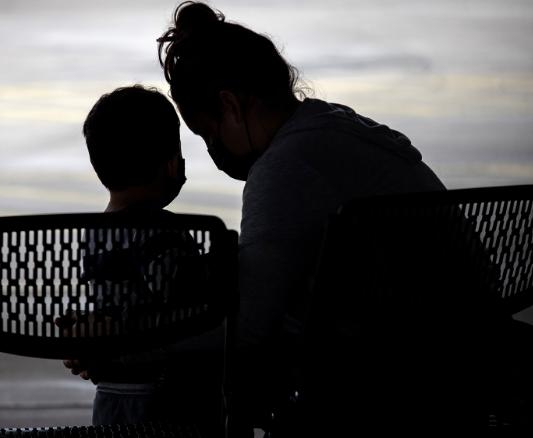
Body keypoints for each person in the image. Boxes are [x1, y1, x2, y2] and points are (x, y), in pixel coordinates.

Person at [157, 2, 453, 433]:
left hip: (402, 386)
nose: (212, 150)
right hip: (454, 352)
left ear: (231, 106)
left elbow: (247, 329)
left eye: (208, 133)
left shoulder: (284, 167)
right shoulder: (341, 130)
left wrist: (134, 346)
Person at [62, 85, 223, 434]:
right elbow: (178, 292)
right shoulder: (162, 232)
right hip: (167, 397)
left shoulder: (96, 232)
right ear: (170, 165)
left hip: (111, 394)